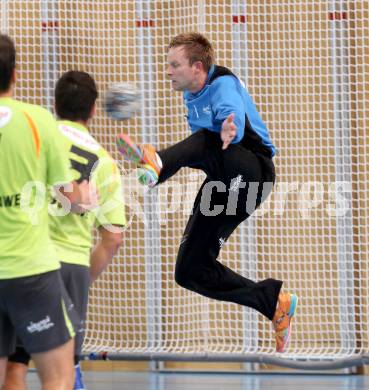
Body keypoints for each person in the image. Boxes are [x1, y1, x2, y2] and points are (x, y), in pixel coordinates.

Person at [116, 32, 298, 353]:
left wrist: (231, 127)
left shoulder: (222, 83)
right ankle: (272, 301)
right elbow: (201, 154)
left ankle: (155, 161)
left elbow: (231, 115)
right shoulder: (190, 97)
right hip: (222, 180)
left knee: (207, 139)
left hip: (253, 171)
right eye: (167, 65)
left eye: (175, 65)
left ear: (197, 67)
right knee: (189, 270)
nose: (168, 71)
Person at [4, 71, 126, 390]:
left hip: (24, 259)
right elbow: (112, 238)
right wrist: (83, 275)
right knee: (62, 374)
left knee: (14, 368)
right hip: (70, 266)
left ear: (55, 104)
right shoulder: (107, 164)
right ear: (94, 108)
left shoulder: (36, 135)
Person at [0, 35, 96, 389]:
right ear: (15, 74)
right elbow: (69, 196)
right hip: (31, 270)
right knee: (58, 377)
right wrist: (85, 196)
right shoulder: (39, 122)